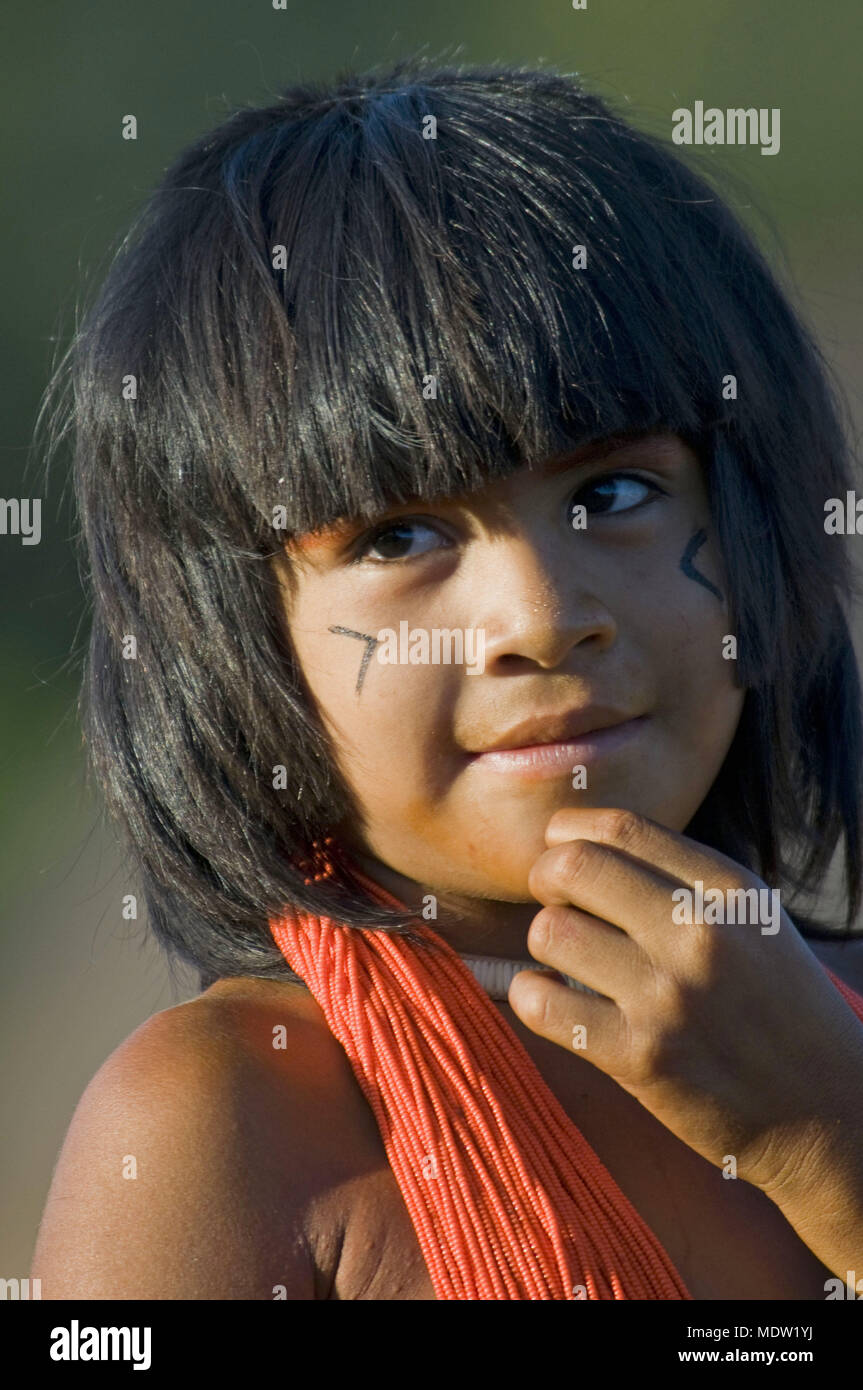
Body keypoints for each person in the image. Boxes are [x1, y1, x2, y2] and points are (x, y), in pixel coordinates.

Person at [32, 56, 863, 1300]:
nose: (539, 616)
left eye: (611, 492)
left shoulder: (835, 1040)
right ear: (229, 636)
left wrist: (826, 1140)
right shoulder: (227, 1127)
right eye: (394, 537)